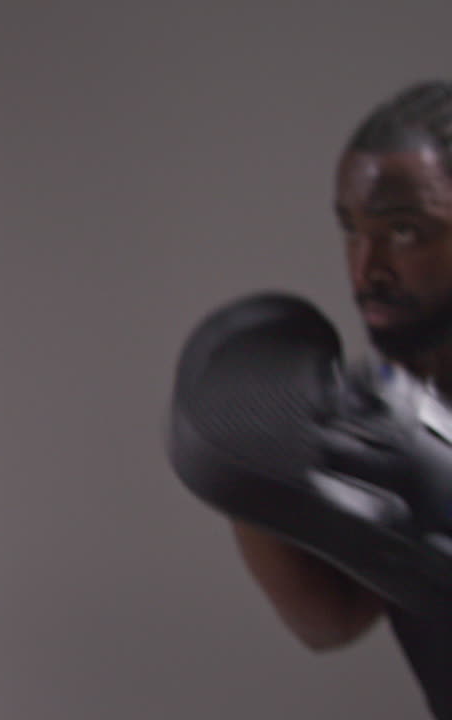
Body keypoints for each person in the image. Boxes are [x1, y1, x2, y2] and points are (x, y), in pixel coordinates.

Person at [231, 80, 452, 718]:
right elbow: (331, 619)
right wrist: (249, 468)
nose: (365, 269)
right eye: (352, 230)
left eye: (406, 232)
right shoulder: (393, 410)